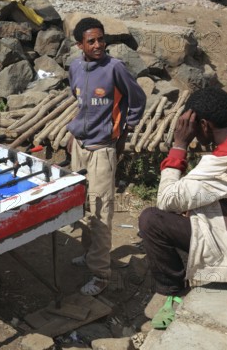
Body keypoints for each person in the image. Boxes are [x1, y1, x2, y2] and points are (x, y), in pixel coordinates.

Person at [138, 86, 227, 329]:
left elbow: (167, 199)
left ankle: (172, 291)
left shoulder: (222, 162)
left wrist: (180, 145)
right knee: (195, 206)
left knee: (151, 219)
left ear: (203, 125)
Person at [67, 17, 146, 296]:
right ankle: (88, 254)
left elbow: (137, 99)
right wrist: (73, 134)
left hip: (102, 149)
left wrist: (125, 131)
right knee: (81, 204)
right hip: (79, 146)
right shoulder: (75, 66)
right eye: (92, 41)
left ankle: (101, 275)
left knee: (100, 210)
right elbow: (77, 100)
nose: (99, 45)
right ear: (80, 45)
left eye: (101, 39)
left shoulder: (115, 68)